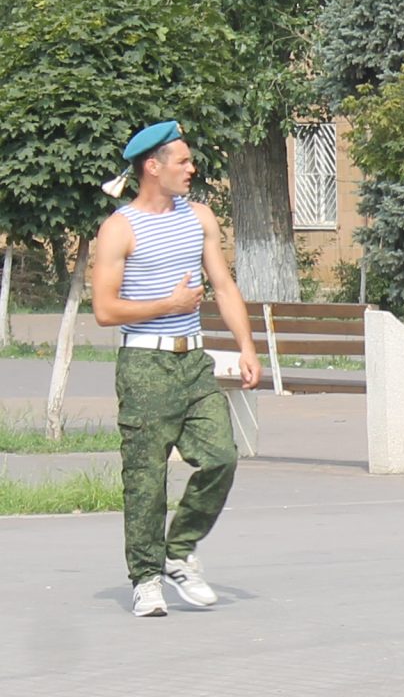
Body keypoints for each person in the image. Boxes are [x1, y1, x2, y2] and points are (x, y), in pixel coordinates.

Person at [92, 120, 261, 617]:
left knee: (221, 457)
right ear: (153, 166)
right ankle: (146, 579)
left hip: (194, 362)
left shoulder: (200, 217)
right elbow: (104, 309)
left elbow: (223, 287)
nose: (192, 168)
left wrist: (247, 348)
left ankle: (179, 550)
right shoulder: (120, 228)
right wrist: (168, 304)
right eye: (182, 161)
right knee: (145, 477)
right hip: (144, 364)